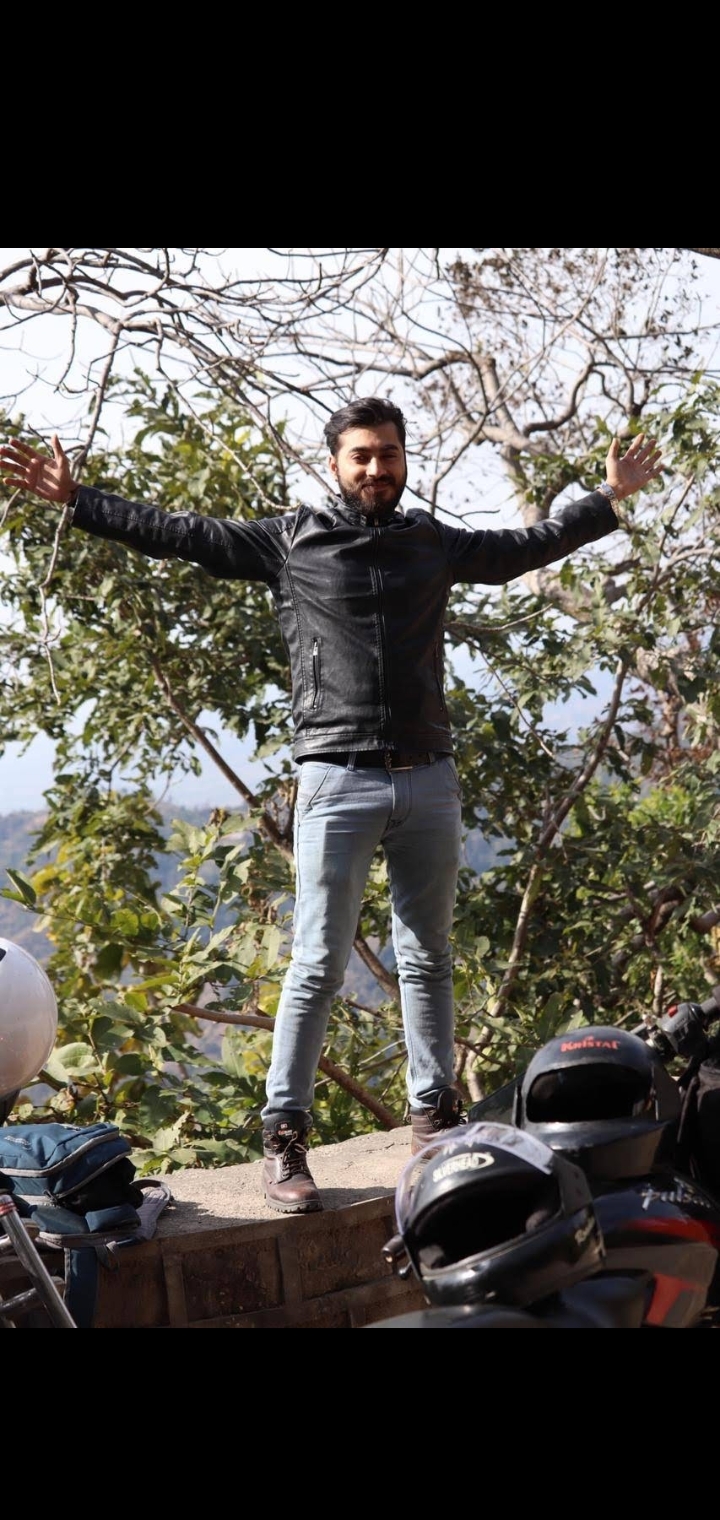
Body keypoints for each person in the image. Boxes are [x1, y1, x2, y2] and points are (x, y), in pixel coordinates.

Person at [0, 400, 664, 1214]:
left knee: (428, 957)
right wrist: (79, 499)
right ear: (336, 465)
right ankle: (284, 1134)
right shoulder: (292, 540)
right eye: (362, 456)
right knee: (317, 962)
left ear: (404, 459)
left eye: (388, 454)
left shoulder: (432, 541)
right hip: (337, 779)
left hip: (429, 776)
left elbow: (526, 548)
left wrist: (607, 496)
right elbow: (182, 533)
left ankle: (433, 1117)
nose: (377, 468)